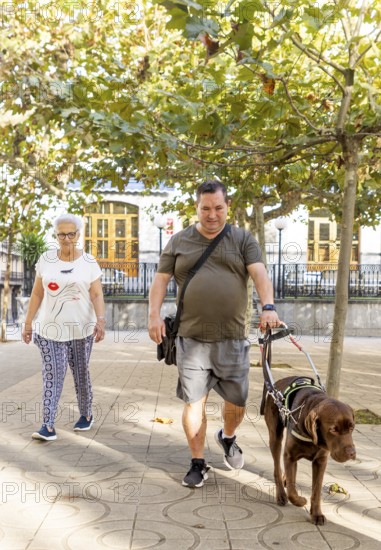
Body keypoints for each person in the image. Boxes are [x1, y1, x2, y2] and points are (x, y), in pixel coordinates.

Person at [148, 180, 281, 488]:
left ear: (227, 207)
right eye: (205, 208)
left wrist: (269, 307)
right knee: (194, 402)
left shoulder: (242, 239)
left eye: (218, 208)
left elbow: (259, 273)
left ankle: (228, 436)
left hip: (232, 339)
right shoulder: (179, 241)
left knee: (237, 404)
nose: (211, 215)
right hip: (191, 339)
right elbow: (160, 280)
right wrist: (153, 315)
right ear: (197, 207)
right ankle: (197, 462)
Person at [22, 213, 105, 441]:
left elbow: (96, 293)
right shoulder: (46, 259)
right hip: (49, 329)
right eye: (61, 234)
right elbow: (38, 293)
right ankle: (47, 426)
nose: (66, 238)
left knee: (81, 373)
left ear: (78, 235)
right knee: (52, 374)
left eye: (71, 234)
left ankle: (86, 414)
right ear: (55, 235)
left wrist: (100, 319)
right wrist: (28, 323)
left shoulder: (88, 262)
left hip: (81, 329)